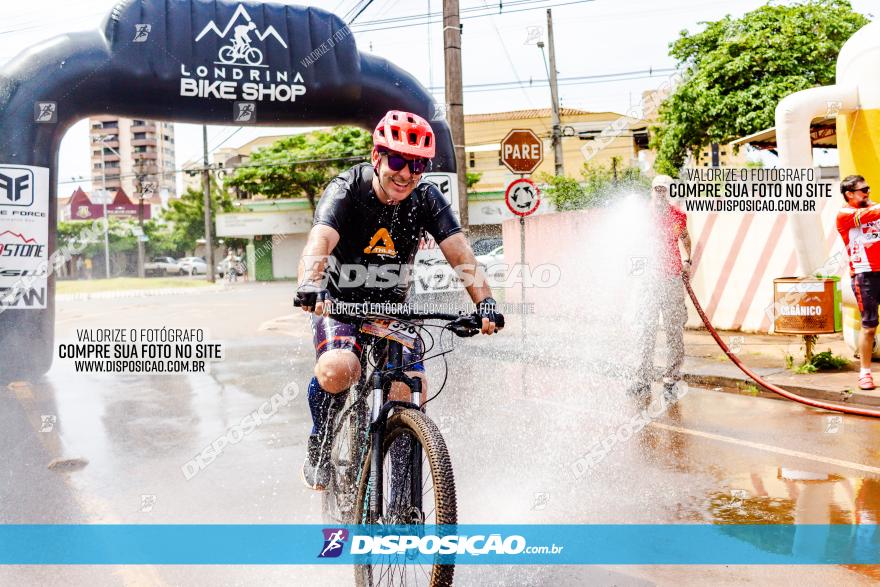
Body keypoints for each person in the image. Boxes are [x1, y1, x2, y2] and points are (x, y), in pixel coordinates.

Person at [294, 110, 503, 490]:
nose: (406, 173)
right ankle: (320, 447)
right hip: (341, 305)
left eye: (417, 164)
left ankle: (403, 502)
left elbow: (460, 253)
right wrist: (311, 282)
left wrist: (485, 303)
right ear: (377, 157)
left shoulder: (425, 197)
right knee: (339, 369)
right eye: (397, 160)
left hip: (393, 310)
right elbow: (320, 241)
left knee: (409, 391)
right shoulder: (346, 189)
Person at [631, 174, 692, 401]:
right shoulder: (641, 216)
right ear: (652, 191)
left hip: (671, 280)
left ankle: (671, 380)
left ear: (669, 192)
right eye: (657, 189)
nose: (660, 194)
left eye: (664, 190)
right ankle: (642, 380)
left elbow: (685, 239)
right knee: (645, 331)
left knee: (674, 331)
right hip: (647, 282)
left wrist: (688, 260)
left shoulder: (678, 216)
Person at [836, 174, 880, 390]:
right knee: (869, 326)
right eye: (864, 189)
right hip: (864, 274)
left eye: (869, 188)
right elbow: (872, 213)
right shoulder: (845, 214)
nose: (868, 192)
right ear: (849, 194)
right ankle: (865, 372)